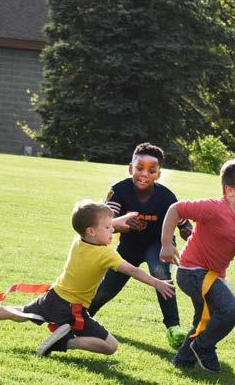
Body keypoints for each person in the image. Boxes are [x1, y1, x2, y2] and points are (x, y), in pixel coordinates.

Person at [0, 200, 175, 357]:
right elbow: (133, 270)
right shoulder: (106, 254)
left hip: (53, 297)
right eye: (108, 228)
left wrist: (115, 221)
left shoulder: (79, 241)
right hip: (72, 309)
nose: (113, 231)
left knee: (20, 313)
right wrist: (157, 282)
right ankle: (65, 342)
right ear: (92, 231)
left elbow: (97, 229)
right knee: (110, 346)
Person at [160, 157, 235, 373]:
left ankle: (183, 360)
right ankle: (202, 346)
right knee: (230, 311)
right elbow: (176, 209)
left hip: (214, 275)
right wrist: (167, 244)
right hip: (192, 272)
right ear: (230, 191)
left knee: (205, 320)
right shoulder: (213, 208)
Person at [88, 142, 193, 349]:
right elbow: (106, 223)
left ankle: (174, 327)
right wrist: (123, 224)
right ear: (130, 168)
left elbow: (184, 225)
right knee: (107, 288)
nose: (144, 174)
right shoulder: (119, 190)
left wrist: (189, 234)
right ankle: (83, 317)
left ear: (158, 174)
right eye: (139, 168)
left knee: (160, 273)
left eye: (151, 170)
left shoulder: (166, 196)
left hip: (158, 244)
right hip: (129, 247)